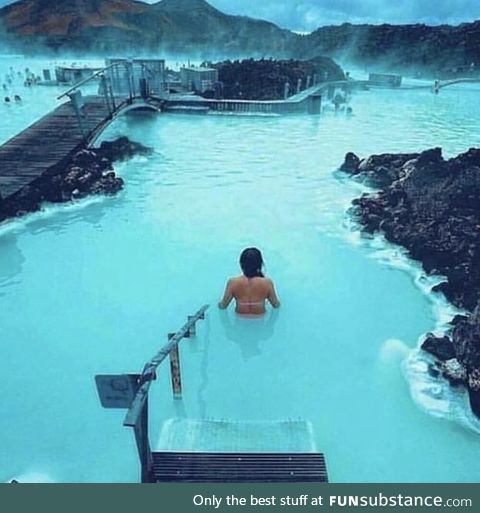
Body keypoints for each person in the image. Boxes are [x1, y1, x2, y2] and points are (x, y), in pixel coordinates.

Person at [218, 248, 280, 315]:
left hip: (240, 319)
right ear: (260, 264)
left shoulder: (232, 283)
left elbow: (223, 306)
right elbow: (276, 305)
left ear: (241, 264)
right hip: (260, 318)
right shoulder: (267, 283)